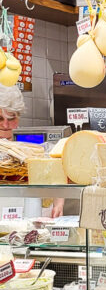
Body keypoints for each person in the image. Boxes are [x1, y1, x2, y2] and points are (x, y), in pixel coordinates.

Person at [0, 86, 63, 218]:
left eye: (11, 119)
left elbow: (56, 171)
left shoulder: (30, 151)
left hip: (26, 229)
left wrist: (58, 203)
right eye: (0, 118)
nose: (5, 125)